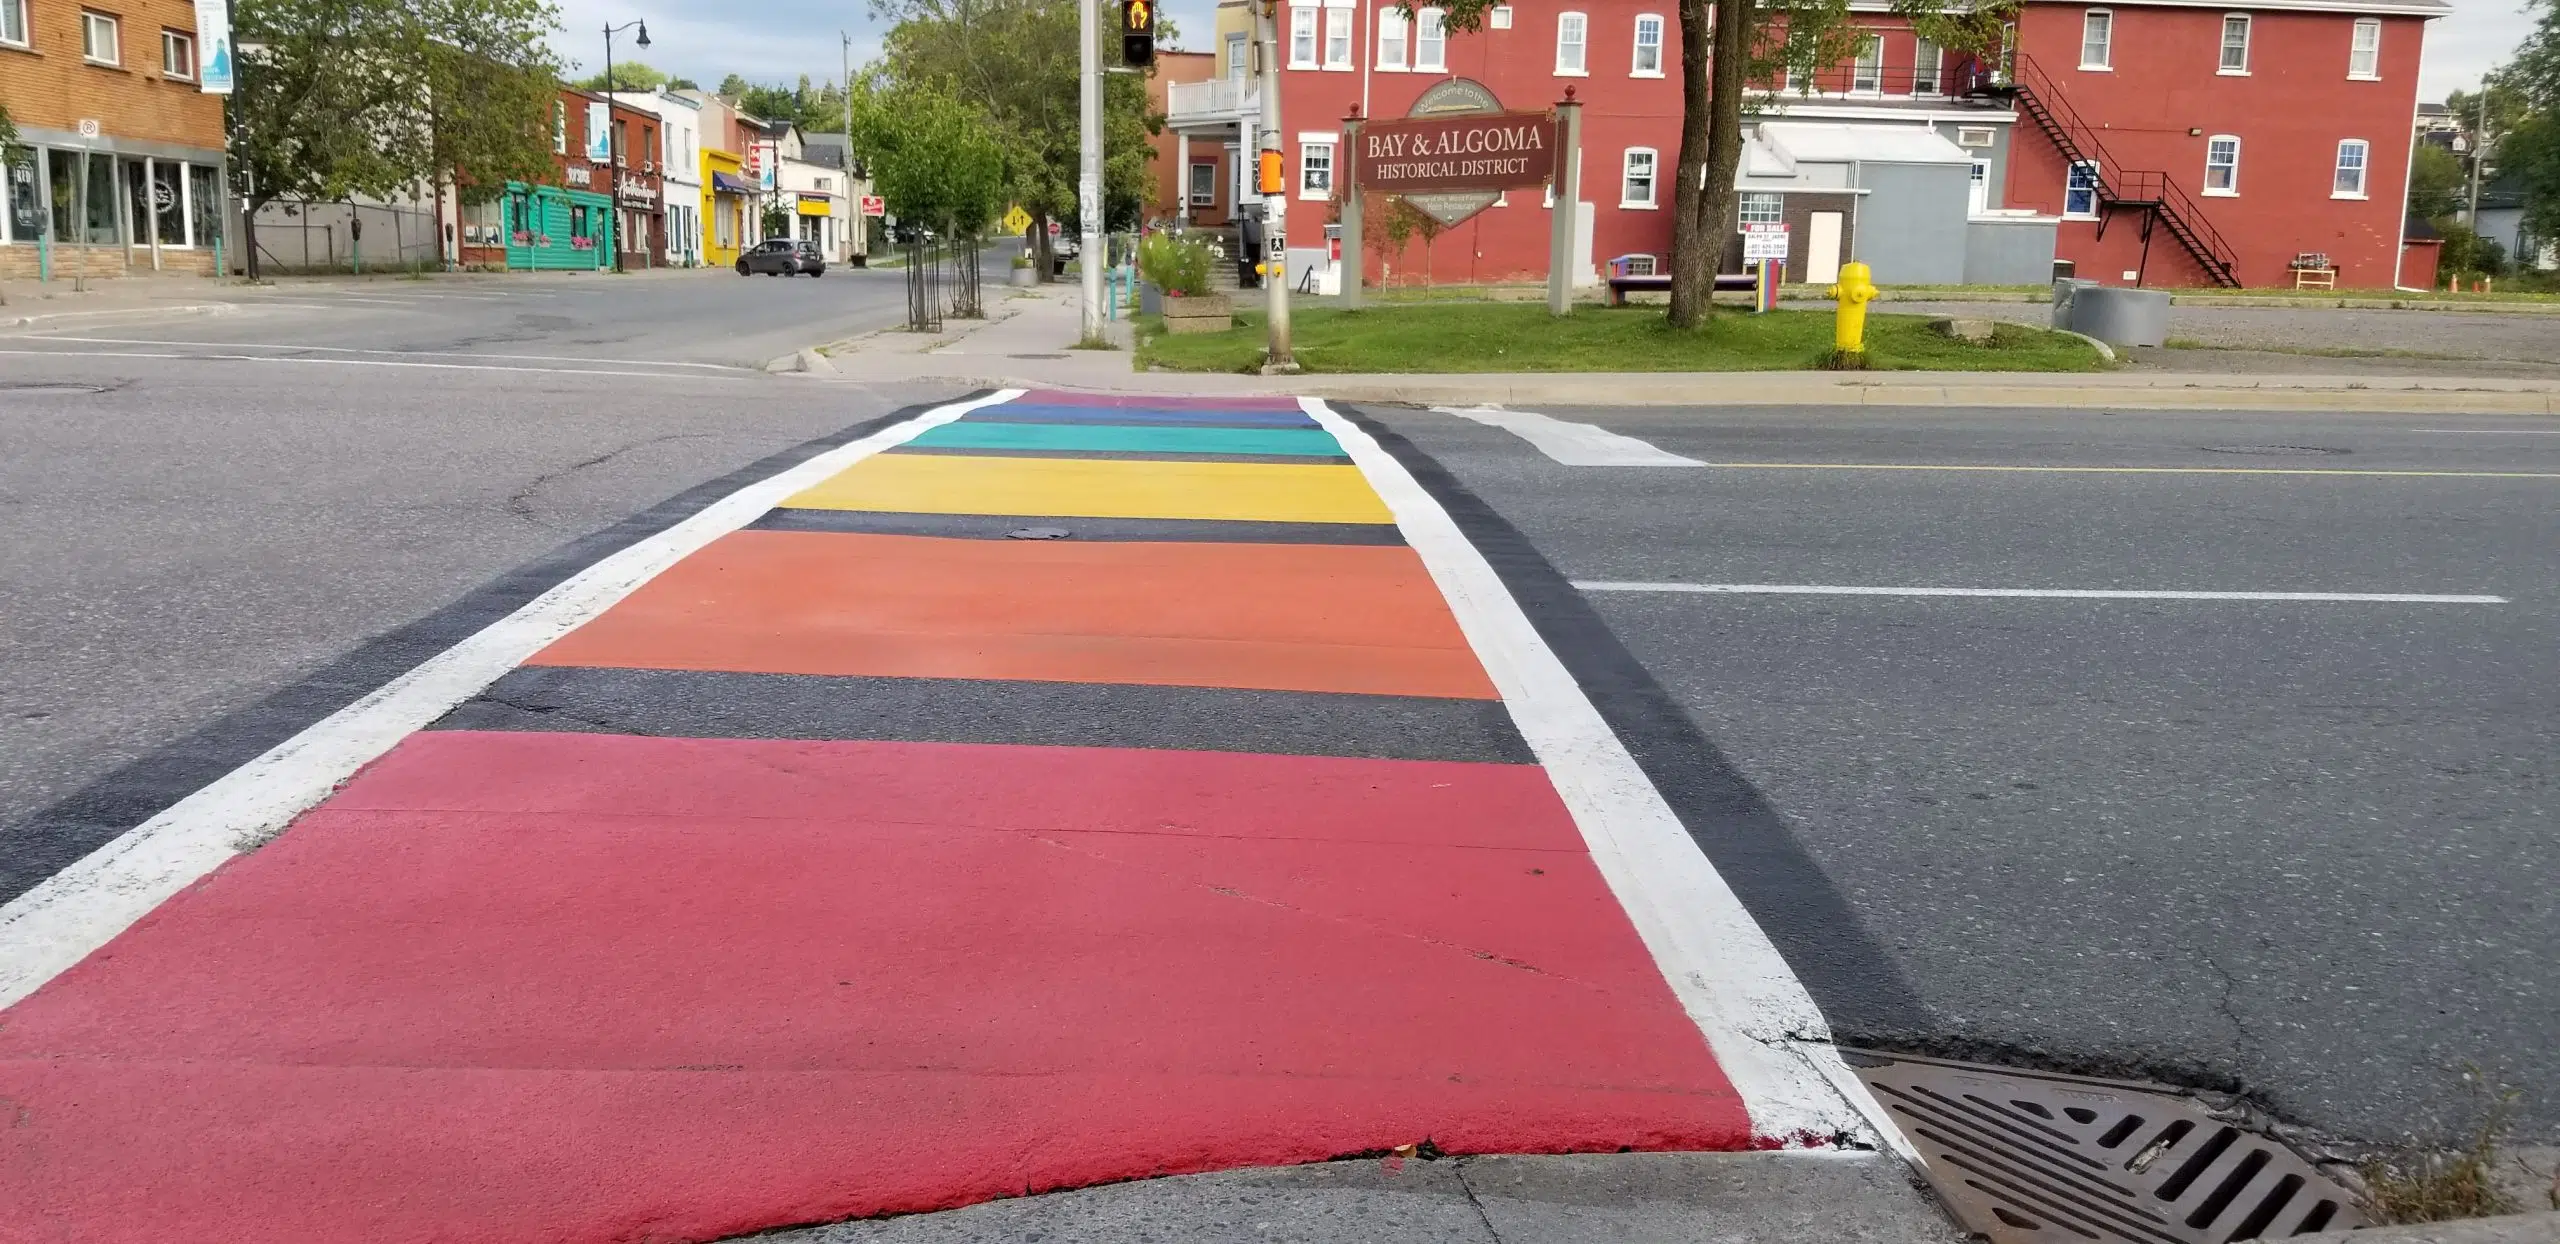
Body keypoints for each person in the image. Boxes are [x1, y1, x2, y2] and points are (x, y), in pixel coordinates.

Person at [1237, 212, 1263, 289]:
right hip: (1252, 250)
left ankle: (1253, 280)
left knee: (1252, 264)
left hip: (1252, 250)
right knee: (1253, 264)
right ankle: (1255, 279)